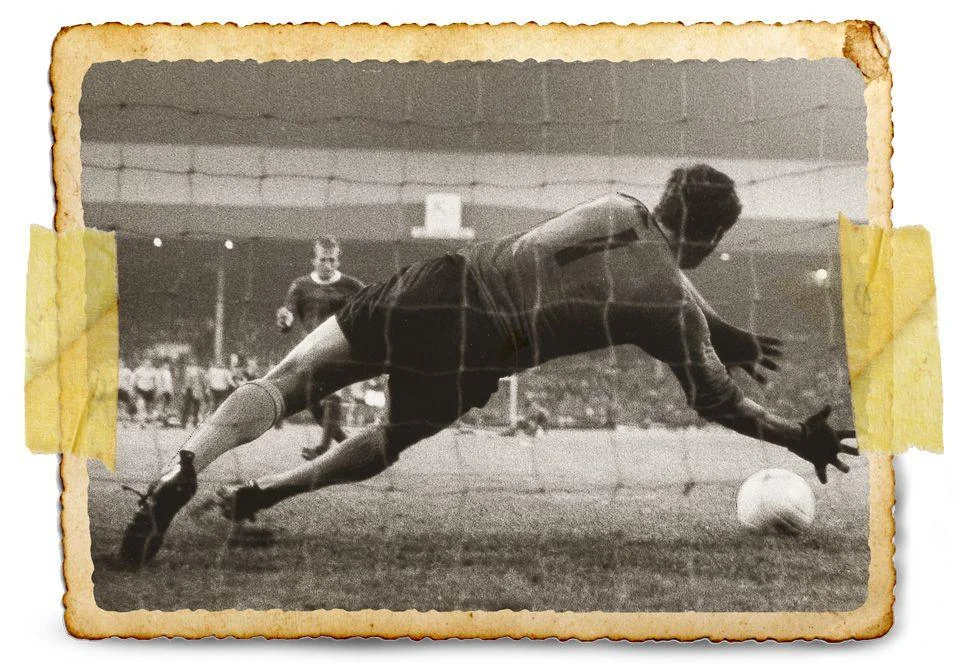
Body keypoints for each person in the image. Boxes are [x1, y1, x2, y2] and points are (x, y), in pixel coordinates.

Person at [120, 165, 858, 567]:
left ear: (664, 196)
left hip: (442, 282)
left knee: (285, 384)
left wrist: (720, 325)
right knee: (389, 440)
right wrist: (799, 437)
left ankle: (187, 462)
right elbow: (718, 399)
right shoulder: (668, 305)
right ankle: (260, 497)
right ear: (716, 235)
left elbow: (659, 259)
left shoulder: (617, 201)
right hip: (479, 350)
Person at [275, 236, 365, 461]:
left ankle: (323, 449)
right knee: (309, 398)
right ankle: (347, 445)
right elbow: (288, 314)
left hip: (340, 347)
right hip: (310, 349)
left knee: (331, 396)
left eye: (332, 260)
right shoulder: (300, 285)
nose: (327, 265)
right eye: (322, 259)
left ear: (338, 261)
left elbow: (372, 303)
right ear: (313, 260)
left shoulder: (351, 285)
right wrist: (284, 320)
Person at [180, 355, 207, 430]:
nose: (192, 363)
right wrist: (183, 389)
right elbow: (184, 381)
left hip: (196, 390)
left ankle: (194, 422)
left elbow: (203, 380)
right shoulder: (187, 370)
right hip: (189, 389)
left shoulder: (199, 370)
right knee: (187, 407)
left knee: (196, 407)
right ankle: (184, 423)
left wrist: (204, 389)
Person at [131, 357, 158, 425]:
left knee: (149, 406)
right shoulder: (139, 370)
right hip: (141, 389)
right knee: (141, 404)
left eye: (149, 363)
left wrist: (156, 389)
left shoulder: (154, 371)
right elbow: (134, 379)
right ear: (143, 363)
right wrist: (133, 388)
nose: (148, 364)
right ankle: (141, 420)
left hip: (150, 390)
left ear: (151, 364)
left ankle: (149, 418)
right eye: (146, 363)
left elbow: (156, 381)